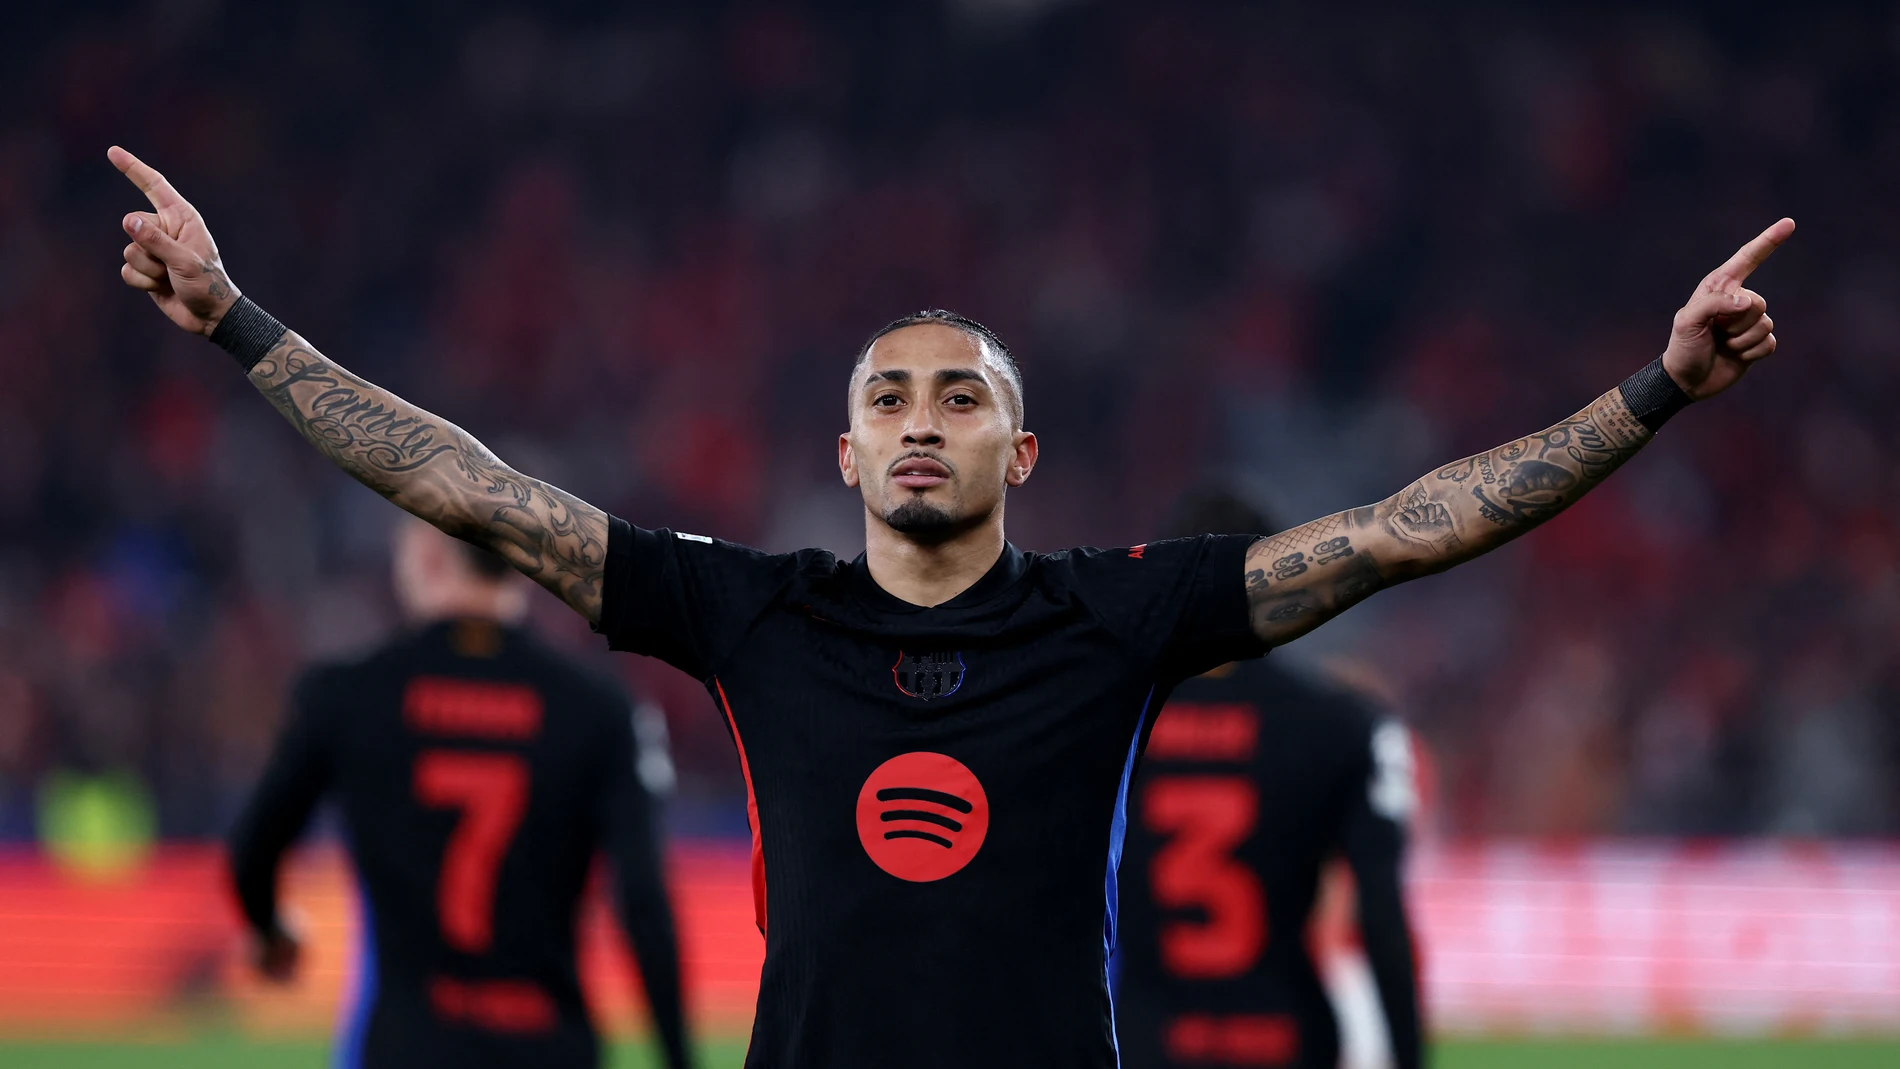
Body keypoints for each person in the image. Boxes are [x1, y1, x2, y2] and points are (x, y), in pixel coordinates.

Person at [112, 144, 1790, 1068]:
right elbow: (475, 490)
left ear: (1022, 446)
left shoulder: (1115, 615)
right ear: (845, 450)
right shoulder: (751, 610)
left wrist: (1651, 390)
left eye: (961, 394)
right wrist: (240, 325)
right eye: (893, 394)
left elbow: (1403, 532)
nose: (924, 415)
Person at [226, 516, 693, 1069]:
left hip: (410, 1042)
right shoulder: (600, 710)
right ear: (526, 561)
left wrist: (271, 930)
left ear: (427, 554)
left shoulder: (348, 697)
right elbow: (643, 904)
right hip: (547, 1044)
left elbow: (253, 850)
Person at [1114, 488, 1422, 1069]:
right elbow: (1381, 917)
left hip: (1147, 1042)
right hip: (1286, 1039)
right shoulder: (1341, 723)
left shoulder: (1108, 722)